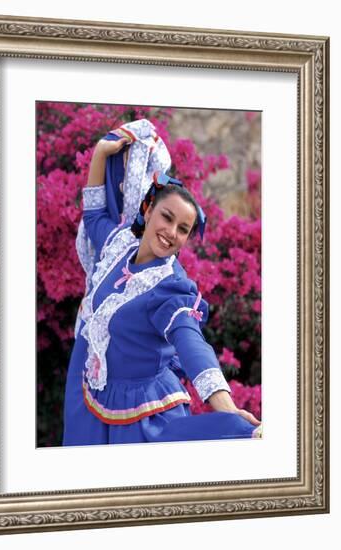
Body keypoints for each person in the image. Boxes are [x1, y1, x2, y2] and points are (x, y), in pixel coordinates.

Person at [62, 120, 262, 446]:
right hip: (86, 396)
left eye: (183, 229)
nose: (172, 233)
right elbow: (95, 214)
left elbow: (191, 343)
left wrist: (226, 407)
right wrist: (101, 152)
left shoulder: (171, 287)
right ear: (149, 210)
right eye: (167, 217)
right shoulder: (118, 246)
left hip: (141, 419)